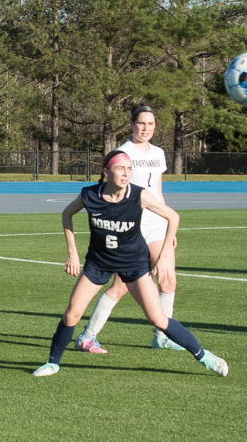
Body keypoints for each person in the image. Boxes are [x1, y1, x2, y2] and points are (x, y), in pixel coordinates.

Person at [32, 150, 228, 378]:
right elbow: (67, 214)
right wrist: (72, 253)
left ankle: (205, 357)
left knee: (158, 319)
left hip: (134, 264)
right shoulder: (89, 195)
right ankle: (53, 363)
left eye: (129, 169)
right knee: (71, 316)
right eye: (120, 169)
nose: (126, 174)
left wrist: (164, 254)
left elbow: (173, 217)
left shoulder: (139, 195)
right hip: (98, 263)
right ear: (106, 172)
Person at [74, 104, 184, 354]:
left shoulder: (157, 153)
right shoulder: (123, 153)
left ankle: (161, 336)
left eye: (151, 124)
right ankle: (88, 335)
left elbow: (157, 190)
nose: (146, 128)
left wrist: (170, 228)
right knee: (120, 286)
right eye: (141, 123)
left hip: (156, 226)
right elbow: (114, 191)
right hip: (131, 227)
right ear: (132, 124)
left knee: (168, 280)